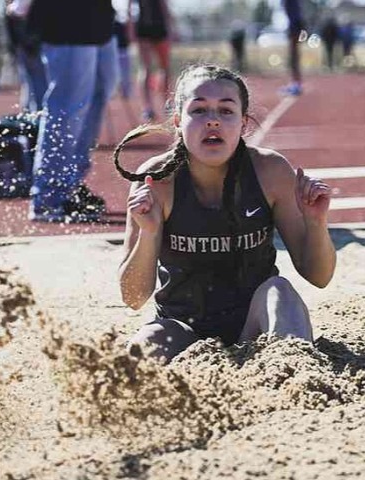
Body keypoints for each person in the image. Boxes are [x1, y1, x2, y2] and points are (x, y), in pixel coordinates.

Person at [113, 64, 337, 363]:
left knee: (280, 292)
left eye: (226, 111)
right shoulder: (157, 180)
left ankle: (297, 382)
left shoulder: (270, 172)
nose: (213, 121)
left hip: (256, 327)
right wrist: (150, 233)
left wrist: (316, 222)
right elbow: (133, 297)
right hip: (183, 328)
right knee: (139, 353)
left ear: (244, 123)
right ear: (178, 121)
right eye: (200, 110)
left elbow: (318, 276)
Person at [12, 0, 119, 223]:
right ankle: (50, 196)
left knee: (100, 92)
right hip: (67, 21)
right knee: (68, 107)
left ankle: (69, 184)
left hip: (99, 21)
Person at [128, 0, 175, 122]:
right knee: (147, 68)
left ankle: (165, 104)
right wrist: (131, 29)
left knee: (164, 68)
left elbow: (164, 6)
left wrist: (170, 28)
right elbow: (130, 8)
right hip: (144, 27)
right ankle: (148, 108)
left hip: (157, 26)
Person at [5, 0, 47, 112]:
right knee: (35, 82)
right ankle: (35, 112)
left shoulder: (13, 8)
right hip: (29, 46)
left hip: (29, 46)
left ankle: (33, 112)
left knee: (33, 82)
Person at [280, 0, 306, 95]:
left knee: (294, 57)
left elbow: (295, 14)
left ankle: (296, 84)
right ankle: (296, 82)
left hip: (295, 26)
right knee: (294, 56)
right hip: (295, 26)